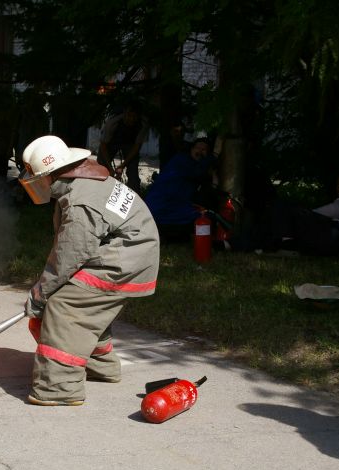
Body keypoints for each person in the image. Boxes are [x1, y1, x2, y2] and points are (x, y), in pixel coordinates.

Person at [18, 135, 159, 406]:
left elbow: (69, 254)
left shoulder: (80, 201)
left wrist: (40, 294)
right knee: (86, 307)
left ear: (51, 174)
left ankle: (58, 387)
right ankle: (100, 366)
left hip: (125, 260)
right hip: (128, 251)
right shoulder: (83, 181)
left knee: (65, 306)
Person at [235, 171, 339, 256]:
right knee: (272, 223)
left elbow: (335, 210)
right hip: (330, 237)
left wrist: (303, 215)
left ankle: (285, 243)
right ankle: (234, 243)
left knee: (282, 207)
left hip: (336, 236)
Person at [143, 137, 218, 241]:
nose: (200, 151)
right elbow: (196, 172)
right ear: (191, 149)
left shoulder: (195, 167)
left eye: (203, 149)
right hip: (161, 207)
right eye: (197, 148)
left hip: (171, 207)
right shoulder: (182, 160)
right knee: (202, 218)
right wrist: (213, 157)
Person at [97, 102, 150, 193]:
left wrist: (122, 166)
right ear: (124, 113)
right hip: (111, 142)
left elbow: (136, 147)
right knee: (101, 166)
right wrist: (110, 168)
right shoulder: (112, 122)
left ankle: (134, 194)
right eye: (129, 115)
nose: (131, 119)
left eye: (134, 117)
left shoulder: (143, 124)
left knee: (133, 173)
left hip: (130, 144)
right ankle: (98, 190)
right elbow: (103, 145)